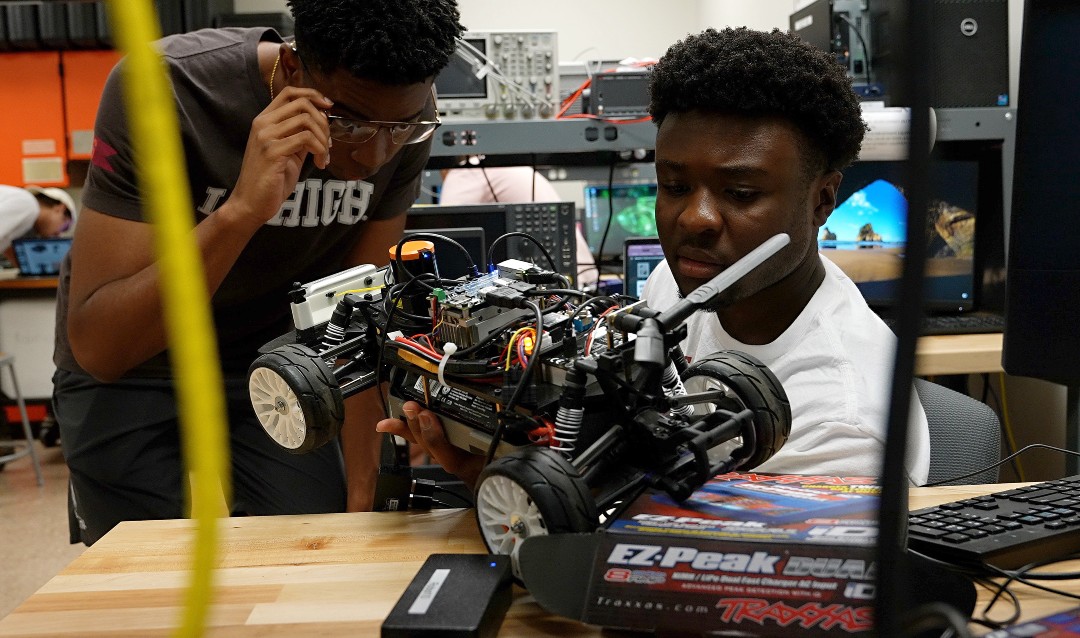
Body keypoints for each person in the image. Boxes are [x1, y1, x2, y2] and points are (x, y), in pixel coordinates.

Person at [377, 27, 930, 487]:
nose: (696, 220)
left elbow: (722, 573)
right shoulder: (679, 283)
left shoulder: (842, 419)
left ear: (823, 200)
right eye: (674, 185)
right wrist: (494, 468)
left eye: (740, 194)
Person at [54, 0, 465, 545]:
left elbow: (361, 314)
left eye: (401, 128)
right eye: (348, 123)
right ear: (292, 69)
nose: (374, 157)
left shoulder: (403, 109)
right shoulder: (167, 88)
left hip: (279, 356)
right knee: (139, 567)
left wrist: (366, 489)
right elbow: (102, 346)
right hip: (138, 356)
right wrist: (243, 210)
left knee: (316, 542)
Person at [438, 163, 599, 289]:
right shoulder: (502, 165)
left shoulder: (464, 172)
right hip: (582, 277)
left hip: (560, 283)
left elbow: (444, 234)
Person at [0, 185, 75, 255]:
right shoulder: (29, 205)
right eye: (65, 227)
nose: (58, 234)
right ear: (60, 209)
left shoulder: (27, 218)